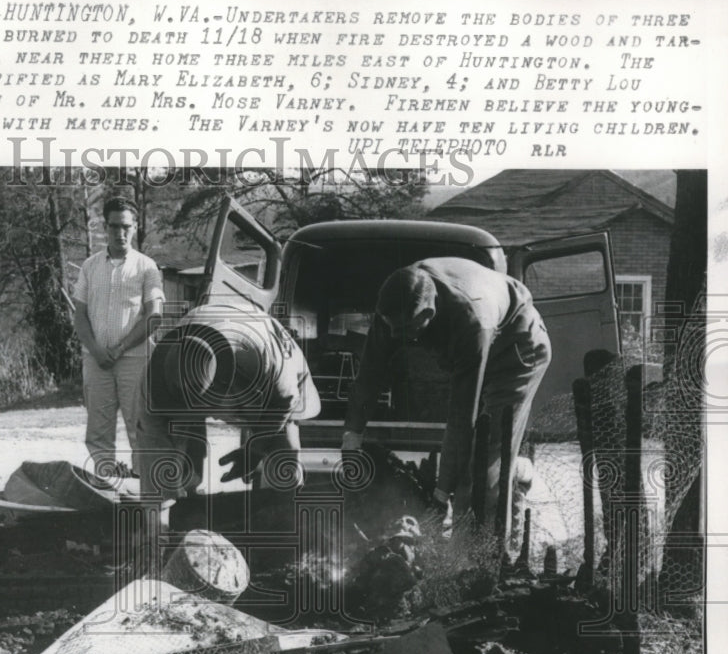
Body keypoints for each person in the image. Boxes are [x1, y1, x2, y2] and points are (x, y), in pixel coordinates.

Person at [342, 258, 551, 535]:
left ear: (428, 313)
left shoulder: (471, 320)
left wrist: (440, 498)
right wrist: (351, 442)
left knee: (481, 463)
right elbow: (369, 374)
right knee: (472, 466)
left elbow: (462, 417)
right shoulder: (395, 305)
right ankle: (517, 470)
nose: (396, 337)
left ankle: (475, 555)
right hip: (477, 338)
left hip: (517, 348)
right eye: (391, 328)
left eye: (406, 331)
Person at [136, 300, 321, 502]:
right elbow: (153, 445)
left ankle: (285, 511)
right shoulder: (155, 384)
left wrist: (255, 448)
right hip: (209, 348)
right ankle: (187, 506)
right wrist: (159, 509)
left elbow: (284, 401)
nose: (211, 414)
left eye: (209, 405)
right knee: (177, 448)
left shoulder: (261, 360)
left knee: (282, 457)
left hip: (273, 364)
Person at [72, 197, 164, 478]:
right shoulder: (89, 266)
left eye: (125, 226)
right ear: (104, 227)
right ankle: (105, 483)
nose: (119, 233)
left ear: (135, 227)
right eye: (113, 226)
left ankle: (143, 487)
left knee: (140, 427)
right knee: (98, 431)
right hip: (96, 361)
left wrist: (121, 348)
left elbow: (154, 316)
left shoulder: (147, 267)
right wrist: (97, 351)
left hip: (135, 360)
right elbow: (79, 315)